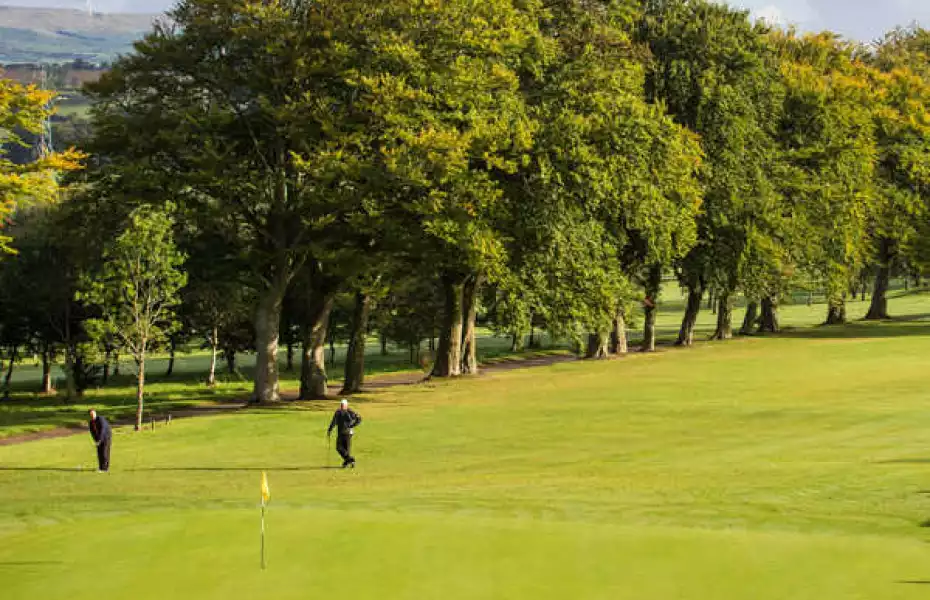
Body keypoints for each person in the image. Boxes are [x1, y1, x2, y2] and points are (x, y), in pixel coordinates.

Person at [327, 399, 362, 468]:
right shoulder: (338, 412)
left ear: (346, 405)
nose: (342, 406)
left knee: (345, 449)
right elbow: (334, 421)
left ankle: (349, 460)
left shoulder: (350, 412)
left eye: (343, 405)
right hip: (341, 432)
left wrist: (352, 425)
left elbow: (359, 419)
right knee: (339, 448)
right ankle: (349, 461)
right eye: (341, 405)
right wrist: (330, 429)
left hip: (348, 433)